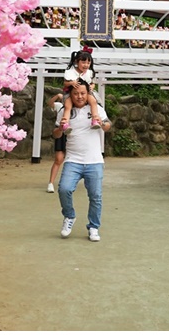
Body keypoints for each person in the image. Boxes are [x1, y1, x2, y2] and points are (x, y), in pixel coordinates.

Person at [57, 80, 111, 241]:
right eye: (75, 94)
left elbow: (108, 125)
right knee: (64, 189)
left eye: (82, 93)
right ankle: (69, 216)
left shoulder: (96, 109)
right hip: (73, 160)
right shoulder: (64, 111)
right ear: (70, 95)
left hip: (94, 160)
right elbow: (56, 134)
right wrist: (60, 128)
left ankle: (93, 227)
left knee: (95, 196)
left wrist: (102, 124)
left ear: (88, 93)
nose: (79, 96)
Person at [58, 48, 107, 128]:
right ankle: (65, 123)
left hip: (86, 93)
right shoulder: (71, 72)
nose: (86, 65)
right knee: (67, 106)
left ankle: (95, 119)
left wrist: (91, 87)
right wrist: (71, 83)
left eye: (88, 63)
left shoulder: (89, 73)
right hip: (71, 93)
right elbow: (65, 83)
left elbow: (93, 83)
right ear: (77, 62)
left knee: (93, 101)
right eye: (83, 62)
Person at [46, 88, 68, 193]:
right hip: (60, 131)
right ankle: (51, 183)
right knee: (58, 159)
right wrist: (56, 96)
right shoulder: (60, 106)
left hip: (72, 133)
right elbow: (49, 103)